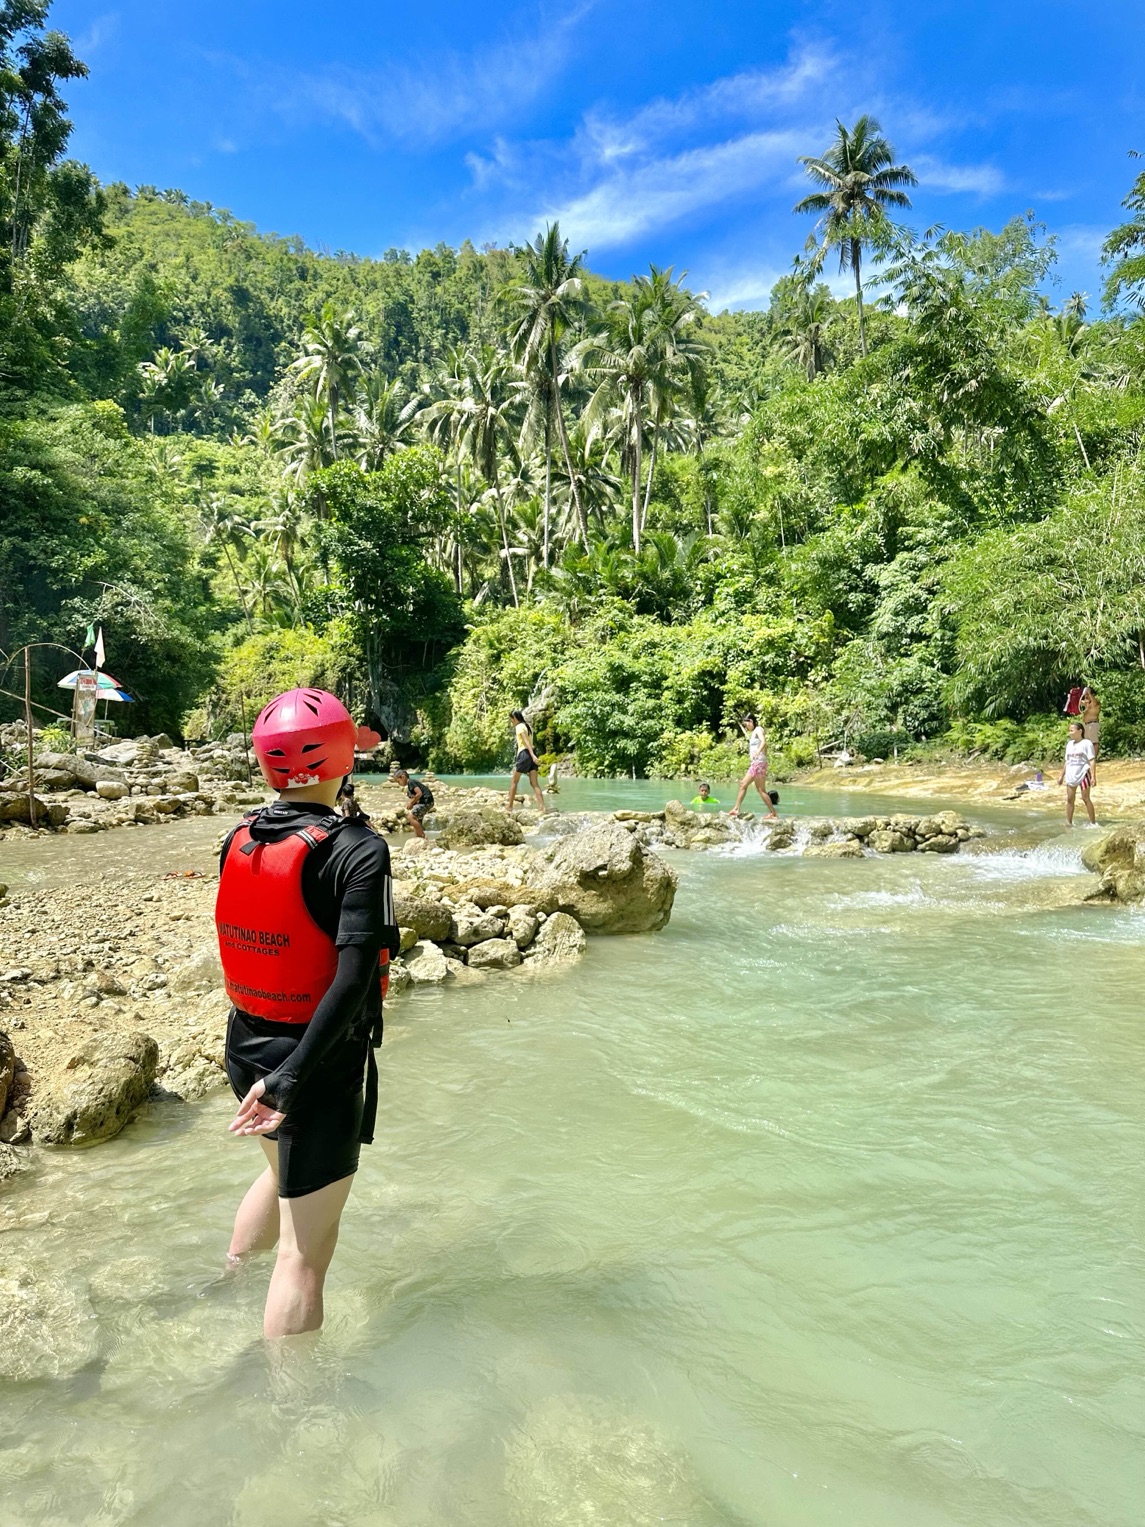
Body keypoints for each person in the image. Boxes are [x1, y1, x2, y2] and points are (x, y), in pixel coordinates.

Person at [216, 688, 398, 1339]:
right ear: (345, 758)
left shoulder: (238, 837)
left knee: (277, 1170)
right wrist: (294, 1077)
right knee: (304, 1254)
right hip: (309, 1067)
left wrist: (273, 1073)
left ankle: (227, 1280)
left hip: (246, 1048)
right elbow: (351, 980)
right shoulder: (357, 849)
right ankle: (291, 1406)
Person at [728, 714, 779, 820]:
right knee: (745, 785)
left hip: (758, 763)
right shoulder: (754, 732)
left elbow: (764, 741)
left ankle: (773, 813)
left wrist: (758, 752)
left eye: (746, 724)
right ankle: (736, 808)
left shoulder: (758, 729)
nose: (746, 727)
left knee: (760, 789)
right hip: (757, 763)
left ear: (751, 721)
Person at [1057, 720, 1096, 827]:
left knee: (1085, 798)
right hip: (1071, 774)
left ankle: (1093, 822)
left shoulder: (1086, 743)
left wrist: (1093, 777)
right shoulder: (1069, 744)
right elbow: (1067, 761)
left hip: (1083, 773)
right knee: (1070, 799)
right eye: (1069, 731)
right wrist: (1061, 776)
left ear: (1080, 731)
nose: (1070, 733)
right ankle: (1068, 822)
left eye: (1072, 730)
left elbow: (1092, 760)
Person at [507, 709, 545, 813]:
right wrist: (533, 755)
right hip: (531, 754)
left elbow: (526, 741)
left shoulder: (519, 727)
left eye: (511, 720)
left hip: (524, 754)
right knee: (534, 783)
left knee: (514, 781)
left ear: (515, 718)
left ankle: (509, 807)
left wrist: (532, 756)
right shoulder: (528, 727)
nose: (512, 722)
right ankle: (542, 807)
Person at [391, 767, 435, 839]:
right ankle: (418, 838)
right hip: (425, 802)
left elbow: (419, 793)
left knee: (410, 817)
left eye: (398, 781)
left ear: (403, 777)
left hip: (426, 801)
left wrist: (411, 803)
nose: (398, 784)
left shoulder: (411, 782)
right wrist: (413, 803)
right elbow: (415, 798)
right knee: (415, 818)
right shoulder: (409, 786)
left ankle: (422, 836)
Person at [1080, 685, 1101, 784]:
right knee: (1087, 742)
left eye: (1089, 695)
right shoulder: (1087, 703)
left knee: (1094, 742)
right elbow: (1079, 703)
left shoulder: (1096, 703)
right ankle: (1088, 758)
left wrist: (1088, 692)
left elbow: (1094, 702)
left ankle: (1094, 758)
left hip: (1093, 724)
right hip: (1086, 725)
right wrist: (1082, 694)